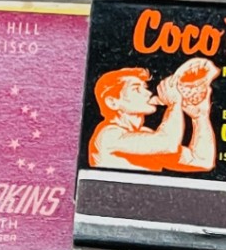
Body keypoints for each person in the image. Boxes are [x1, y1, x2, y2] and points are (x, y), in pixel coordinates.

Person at [87, 61, 217, 173]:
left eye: (145, 87)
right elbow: (168, 144)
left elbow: (202, 161)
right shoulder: (108, 135)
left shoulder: (146, 134)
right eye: (136, 89)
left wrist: (200, 117)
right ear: (112, 102)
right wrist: (174, 104)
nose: (148, 93)